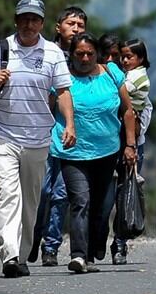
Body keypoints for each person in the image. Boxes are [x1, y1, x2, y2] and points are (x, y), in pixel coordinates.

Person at [0, 0, 76, 278]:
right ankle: (10, 256)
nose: (29, 24)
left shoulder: (53, 53)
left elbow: (63, 91)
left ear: (42, 23)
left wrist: (69, 125)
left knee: (31, 200)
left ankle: (24, 251)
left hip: (38, 138)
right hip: (2, 135)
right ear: (16, 21)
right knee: (7, 195)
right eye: (24, 18)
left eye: (34, 19)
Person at [51, 33, 137, 273]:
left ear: (97, 53)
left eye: (90, 53)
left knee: (100, 206)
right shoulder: (62, 77)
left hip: (107, 152)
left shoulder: (111, 73)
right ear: (71, 55)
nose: (85, 58)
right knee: (81, 201)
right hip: (72, 152)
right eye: (80, 54)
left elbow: (128, 111)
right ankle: (78, 255)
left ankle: (89, 254)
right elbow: (48, 107)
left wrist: (130, 145)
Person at [30, 5, 87, 267]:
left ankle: (50, 246)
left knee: (62, 193)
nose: (76, 29)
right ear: (58, 27)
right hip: (40, 132)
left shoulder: (85, 57)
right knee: (41, 190)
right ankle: (30, 236)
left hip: (69, 134)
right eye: (71, 23)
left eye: (80, 25)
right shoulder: (44, 52)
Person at [102, 34, 152, 265]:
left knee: (124, 192)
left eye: (127, 57)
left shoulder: (137, 79)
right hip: (112, 138)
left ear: (140, 58)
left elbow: (117, 94)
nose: (122, 61)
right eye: (118, 57)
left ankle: (120, 242)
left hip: (129, 140)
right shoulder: (128, 75)